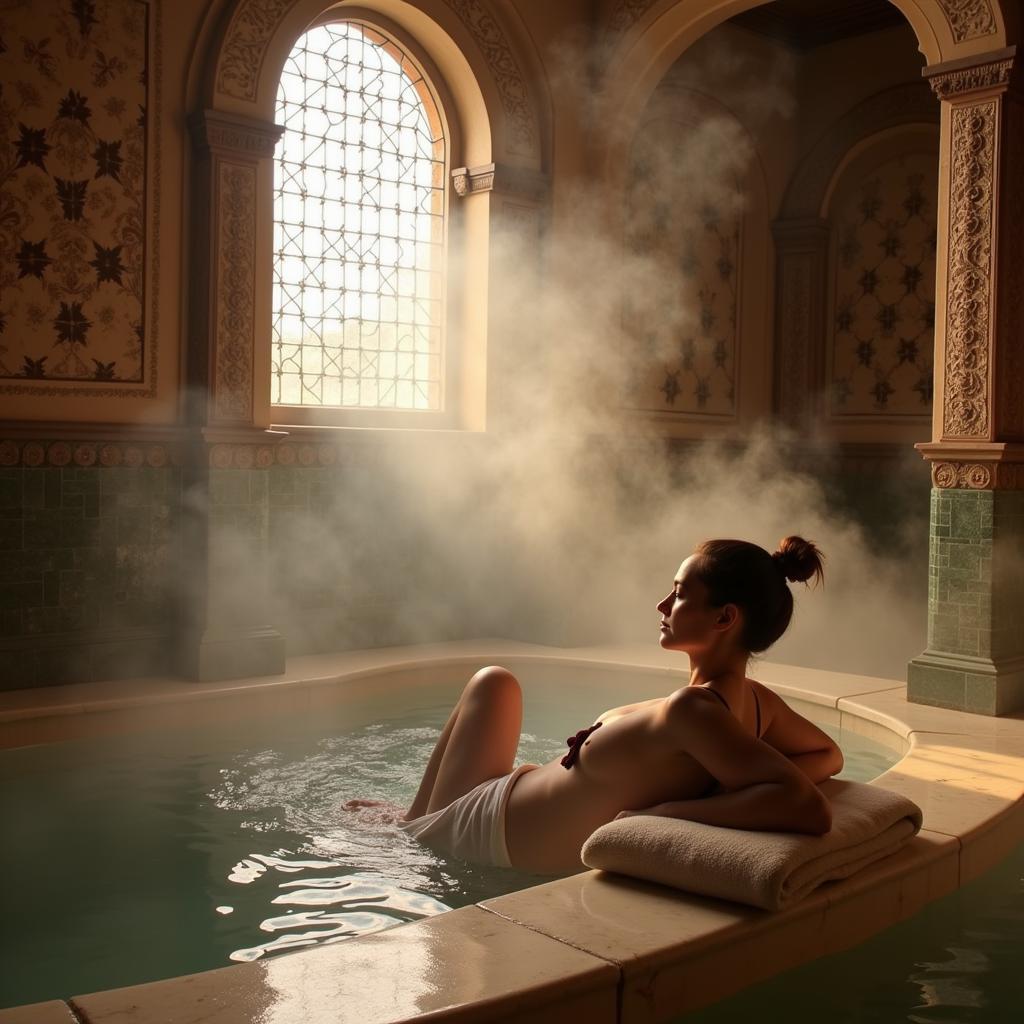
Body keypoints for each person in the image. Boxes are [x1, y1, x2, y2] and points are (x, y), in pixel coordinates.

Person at [346, 536, 843, 875]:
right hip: (504, 799)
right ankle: (411, 819)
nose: (662, 606)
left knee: (492, 681)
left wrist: (670, 813)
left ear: (724, 618)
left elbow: (806, 808)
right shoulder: (755, 704)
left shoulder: (695, 711)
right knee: (496, 684)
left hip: (487, 834)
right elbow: (828, 757)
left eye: (679, 594)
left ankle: (412, 827)